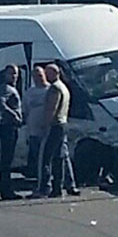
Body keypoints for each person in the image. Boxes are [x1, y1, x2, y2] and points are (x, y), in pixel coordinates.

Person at [37, 64, 81, 198]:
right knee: (59, 157)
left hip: (54, 125)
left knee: (46, 158)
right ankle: (58, 188)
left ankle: (44, 188)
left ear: (54, 73)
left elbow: (52, 108)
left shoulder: (55, 88)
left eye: (47, 73)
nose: (46, 76)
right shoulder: (64, 87)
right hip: (62, 123)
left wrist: (45, 125)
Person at [0, 64, 23, 200]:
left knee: (8, 159)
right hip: (7, 127)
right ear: (5, 74)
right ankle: (6, 190)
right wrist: (14, 115)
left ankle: (6, 189)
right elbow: (0, 104)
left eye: (16, 73)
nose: (14, 76)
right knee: (6, 160)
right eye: (11, 73)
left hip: (12, 127)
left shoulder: (13, 88)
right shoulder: (6, 88)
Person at [22, 66, 50, 186]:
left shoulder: (50, 90)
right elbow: (25, 110)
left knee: (48, 158)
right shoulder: (29, 93)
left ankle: (47, 182)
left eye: (40, 75)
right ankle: (40, 182)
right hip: (33, 131)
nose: (38, 78)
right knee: (37, 158)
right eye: (35, 76)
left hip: (48, 131)